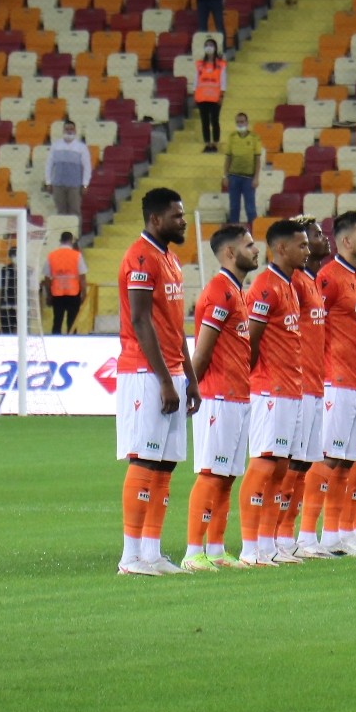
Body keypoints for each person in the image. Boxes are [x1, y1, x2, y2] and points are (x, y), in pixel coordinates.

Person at [114, 188, 199, 575]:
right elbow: (140, 320)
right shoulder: (140, 257)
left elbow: (173, 323)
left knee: (165, 465)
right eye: (177, 216)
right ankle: (130, 556)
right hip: (144, 372)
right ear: (155, 219)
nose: (182, 221)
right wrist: (165, 380)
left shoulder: (171, 259)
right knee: (145, 458)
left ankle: (151, 553)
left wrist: (189, 377)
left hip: (172, 373)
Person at [182, 224, 259, 571]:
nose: (256, 250)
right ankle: (192, 551)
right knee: (212, 472)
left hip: (238, 395)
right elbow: (202, 351)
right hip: (217, 396)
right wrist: (191, 390)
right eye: (249, 245)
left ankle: (215, 549)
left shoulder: (236, 291)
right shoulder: (218, 292)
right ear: (230, 252)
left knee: (227, 476)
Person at [237, 219, 309, 566]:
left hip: (290, 389)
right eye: (302, 245)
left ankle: (267, 544)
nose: (307, 251)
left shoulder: (289, 285)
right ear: (281, 248)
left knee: (280, 468)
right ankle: (250, 547)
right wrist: (252, 380)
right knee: (264, 465)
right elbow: (250, 339)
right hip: (270, 389)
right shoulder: (265, 286)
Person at [313, 210, 356, 556]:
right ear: (345, 241)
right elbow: (313, 330)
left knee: (344, 462)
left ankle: (334, 535)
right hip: (335, 381)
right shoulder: (329, 278)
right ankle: (306, 537)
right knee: (328, 460)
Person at [280, 216, 331, 559]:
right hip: (295, 386)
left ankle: (297, 537)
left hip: (314, 383)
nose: (321, 239)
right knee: (289, 465)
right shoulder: (295, 282)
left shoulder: (312, 281)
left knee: (303, 465)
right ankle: (279, 537)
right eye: (314, 235)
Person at [45, 119, 92, 217]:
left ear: (75, 131)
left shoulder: (81, 147)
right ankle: (62, 232)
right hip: (58, 185)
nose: (69, 131)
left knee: (74, 212)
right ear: (63, 131)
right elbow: (49, 164)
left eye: (71, 129)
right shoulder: (56, 146)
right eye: (67, 129)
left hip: (74, 186)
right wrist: (48, 182)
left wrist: (85, 185)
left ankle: (74, 232)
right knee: (61, 212)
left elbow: (87, 167)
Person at [43, 232, 88, 335]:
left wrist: (49, 295)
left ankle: (55, 342)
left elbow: (46, 278)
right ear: (71, 241)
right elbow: (82, 276)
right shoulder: (77, 255)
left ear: (60, 240)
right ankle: (72, 343)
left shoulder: (52, 255)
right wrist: (84, 293)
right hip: (73, 292)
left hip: (57, 293)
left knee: (57, 320)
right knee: (72, 321)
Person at [221, 112, 262, 224]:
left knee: (250, 208)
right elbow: (228, 158)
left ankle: (253, 232)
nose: (240, 124)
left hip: (248, 178)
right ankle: (234, 233)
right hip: (233, 176)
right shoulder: (232, 137)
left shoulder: (254, 138)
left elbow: (257, 159)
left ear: (247, 122)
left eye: (242, 121)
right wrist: (225, 176)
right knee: (234, 207)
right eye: (238, 122)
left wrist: (256, 177)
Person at [193, 40, 226, 153]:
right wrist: (195, 94)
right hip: (202, 97)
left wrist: (222, 95)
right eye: (206, 45)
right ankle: (207, 143)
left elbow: (223, 81)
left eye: (211, 45)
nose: (208, 48)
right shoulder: (200, 64)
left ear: (215, 48)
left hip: (215, 97)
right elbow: (196, 80)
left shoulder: (220, 64)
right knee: (204, 121)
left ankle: (215, 143)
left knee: (214, 120)